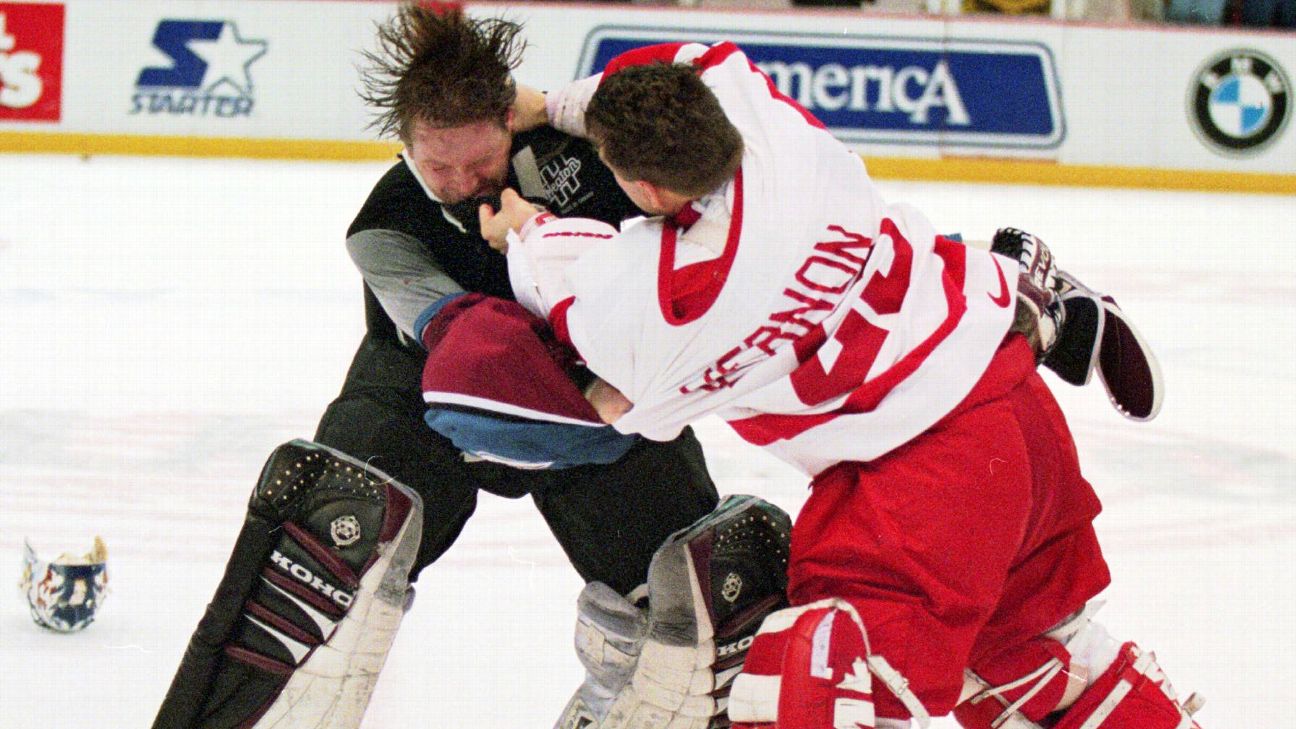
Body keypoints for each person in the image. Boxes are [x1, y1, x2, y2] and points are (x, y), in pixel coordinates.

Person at [478, 42, 1201, 728]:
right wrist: (547, 104)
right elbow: (680, 63)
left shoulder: (672, 298)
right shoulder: (762, 117)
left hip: (924, 485)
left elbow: (615, 394)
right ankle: (1022, 295)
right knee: (1033, 658)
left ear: (643, 187)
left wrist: (523, 232)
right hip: (1009, 400)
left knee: (812, 680)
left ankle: (1025, 297)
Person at [149, 8, 721, 728]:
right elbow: (477, 352)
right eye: (436, 164)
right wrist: (545, 244)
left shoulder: (590, 152)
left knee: (695, 589)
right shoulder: (382, 228)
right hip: (429, 389)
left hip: (594, 386)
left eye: (478, 162)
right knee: (328, 523)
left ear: (510, 122)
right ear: (406, 145)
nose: (459, 182)